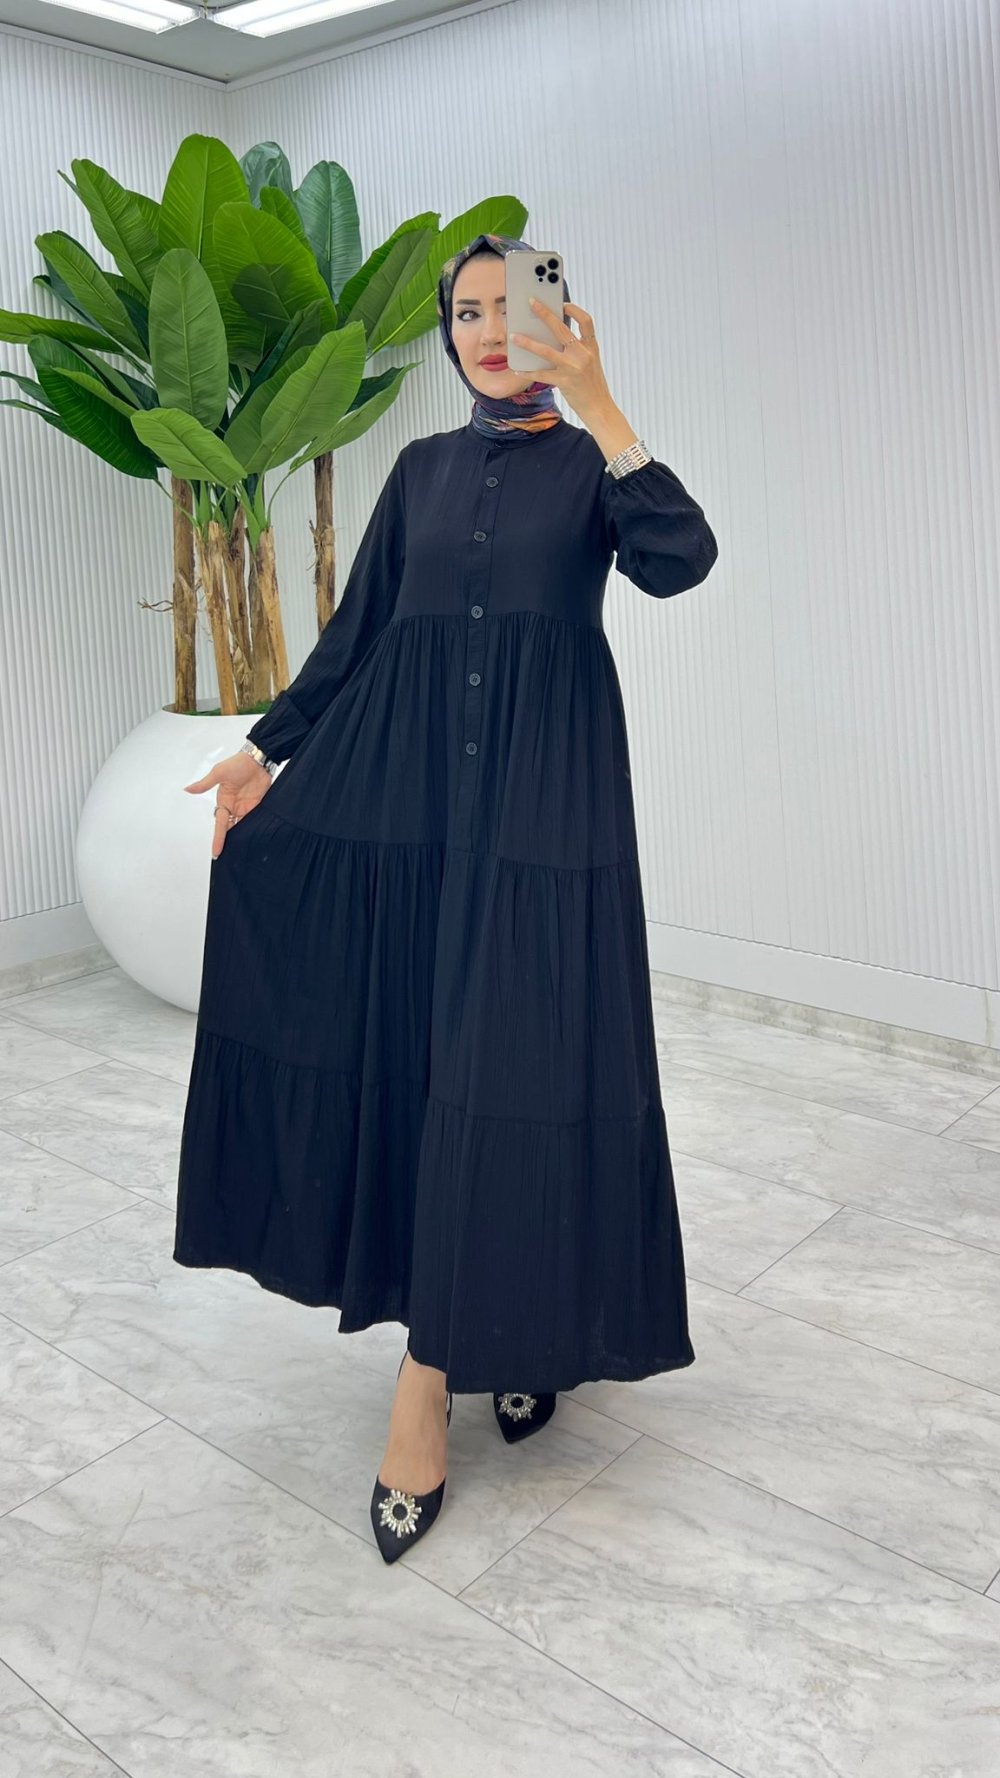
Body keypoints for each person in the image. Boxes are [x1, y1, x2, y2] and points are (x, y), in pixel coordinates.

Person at [174, 232, 719, 1564]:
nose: (487, 330)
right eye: (466, 312)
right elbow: (361, 635)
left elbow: (681, 561)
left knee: (520, 1074)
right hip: (415, 816)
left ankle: (479, 1350)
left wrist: (602, 404)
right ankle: (450, 1363)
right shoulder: (418, 471)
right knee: (436, 1073)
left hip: (545, 822)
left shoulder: (594, 467)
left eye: (513, 307)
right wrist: (263, 753)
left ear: (561, 323)